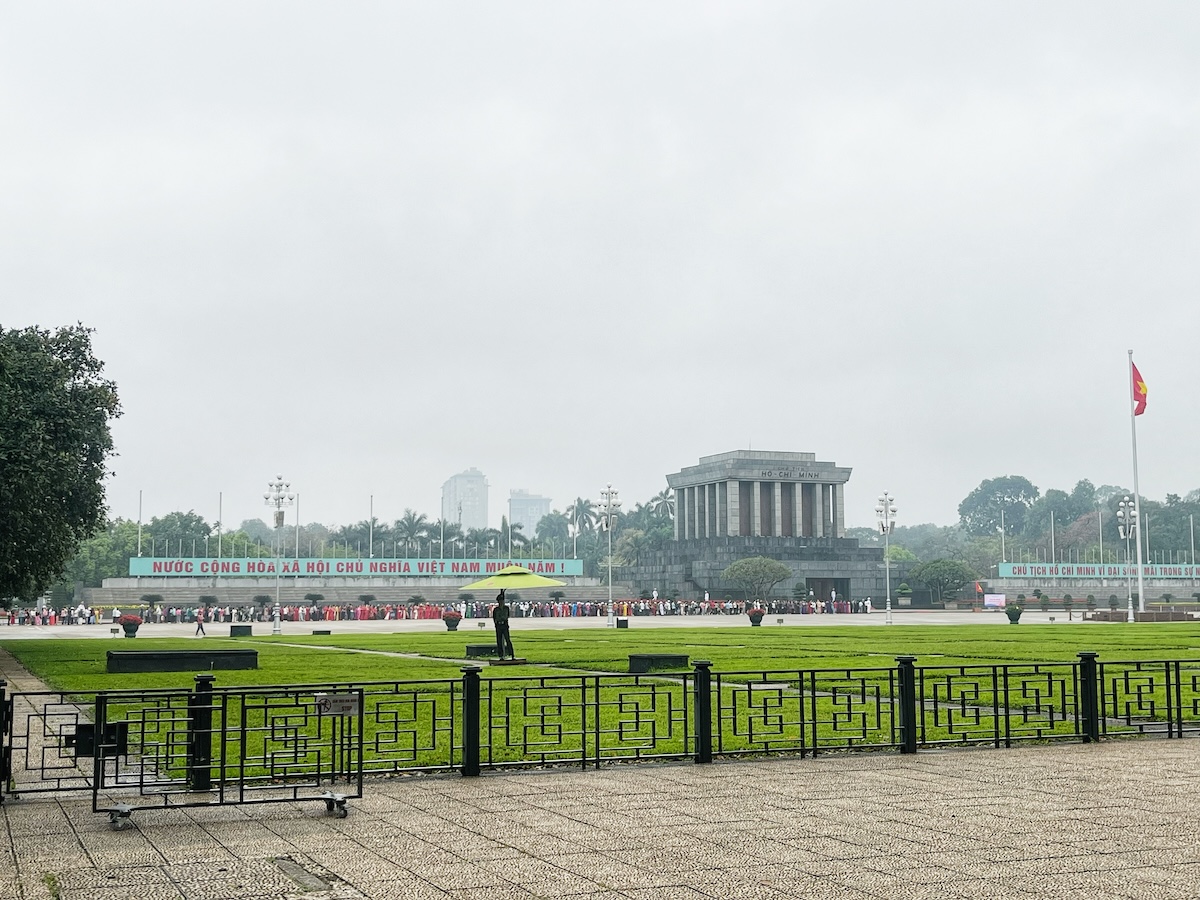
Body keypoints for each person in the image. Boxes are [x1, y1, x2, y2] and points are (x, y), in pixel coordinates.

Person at [493, 590, 515, 659]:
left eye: (502, 600)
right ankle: (501, 655)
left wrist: (501, 618)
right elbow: (495, 618)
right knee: (499, 641)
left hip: (505, 625)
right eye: (500, 601)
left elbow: (506, 616)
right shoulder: (496, 609)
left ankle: (512, 655)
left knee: (508, 640)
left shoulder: (506, 608)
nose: (501, 602)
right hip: (499, 626)